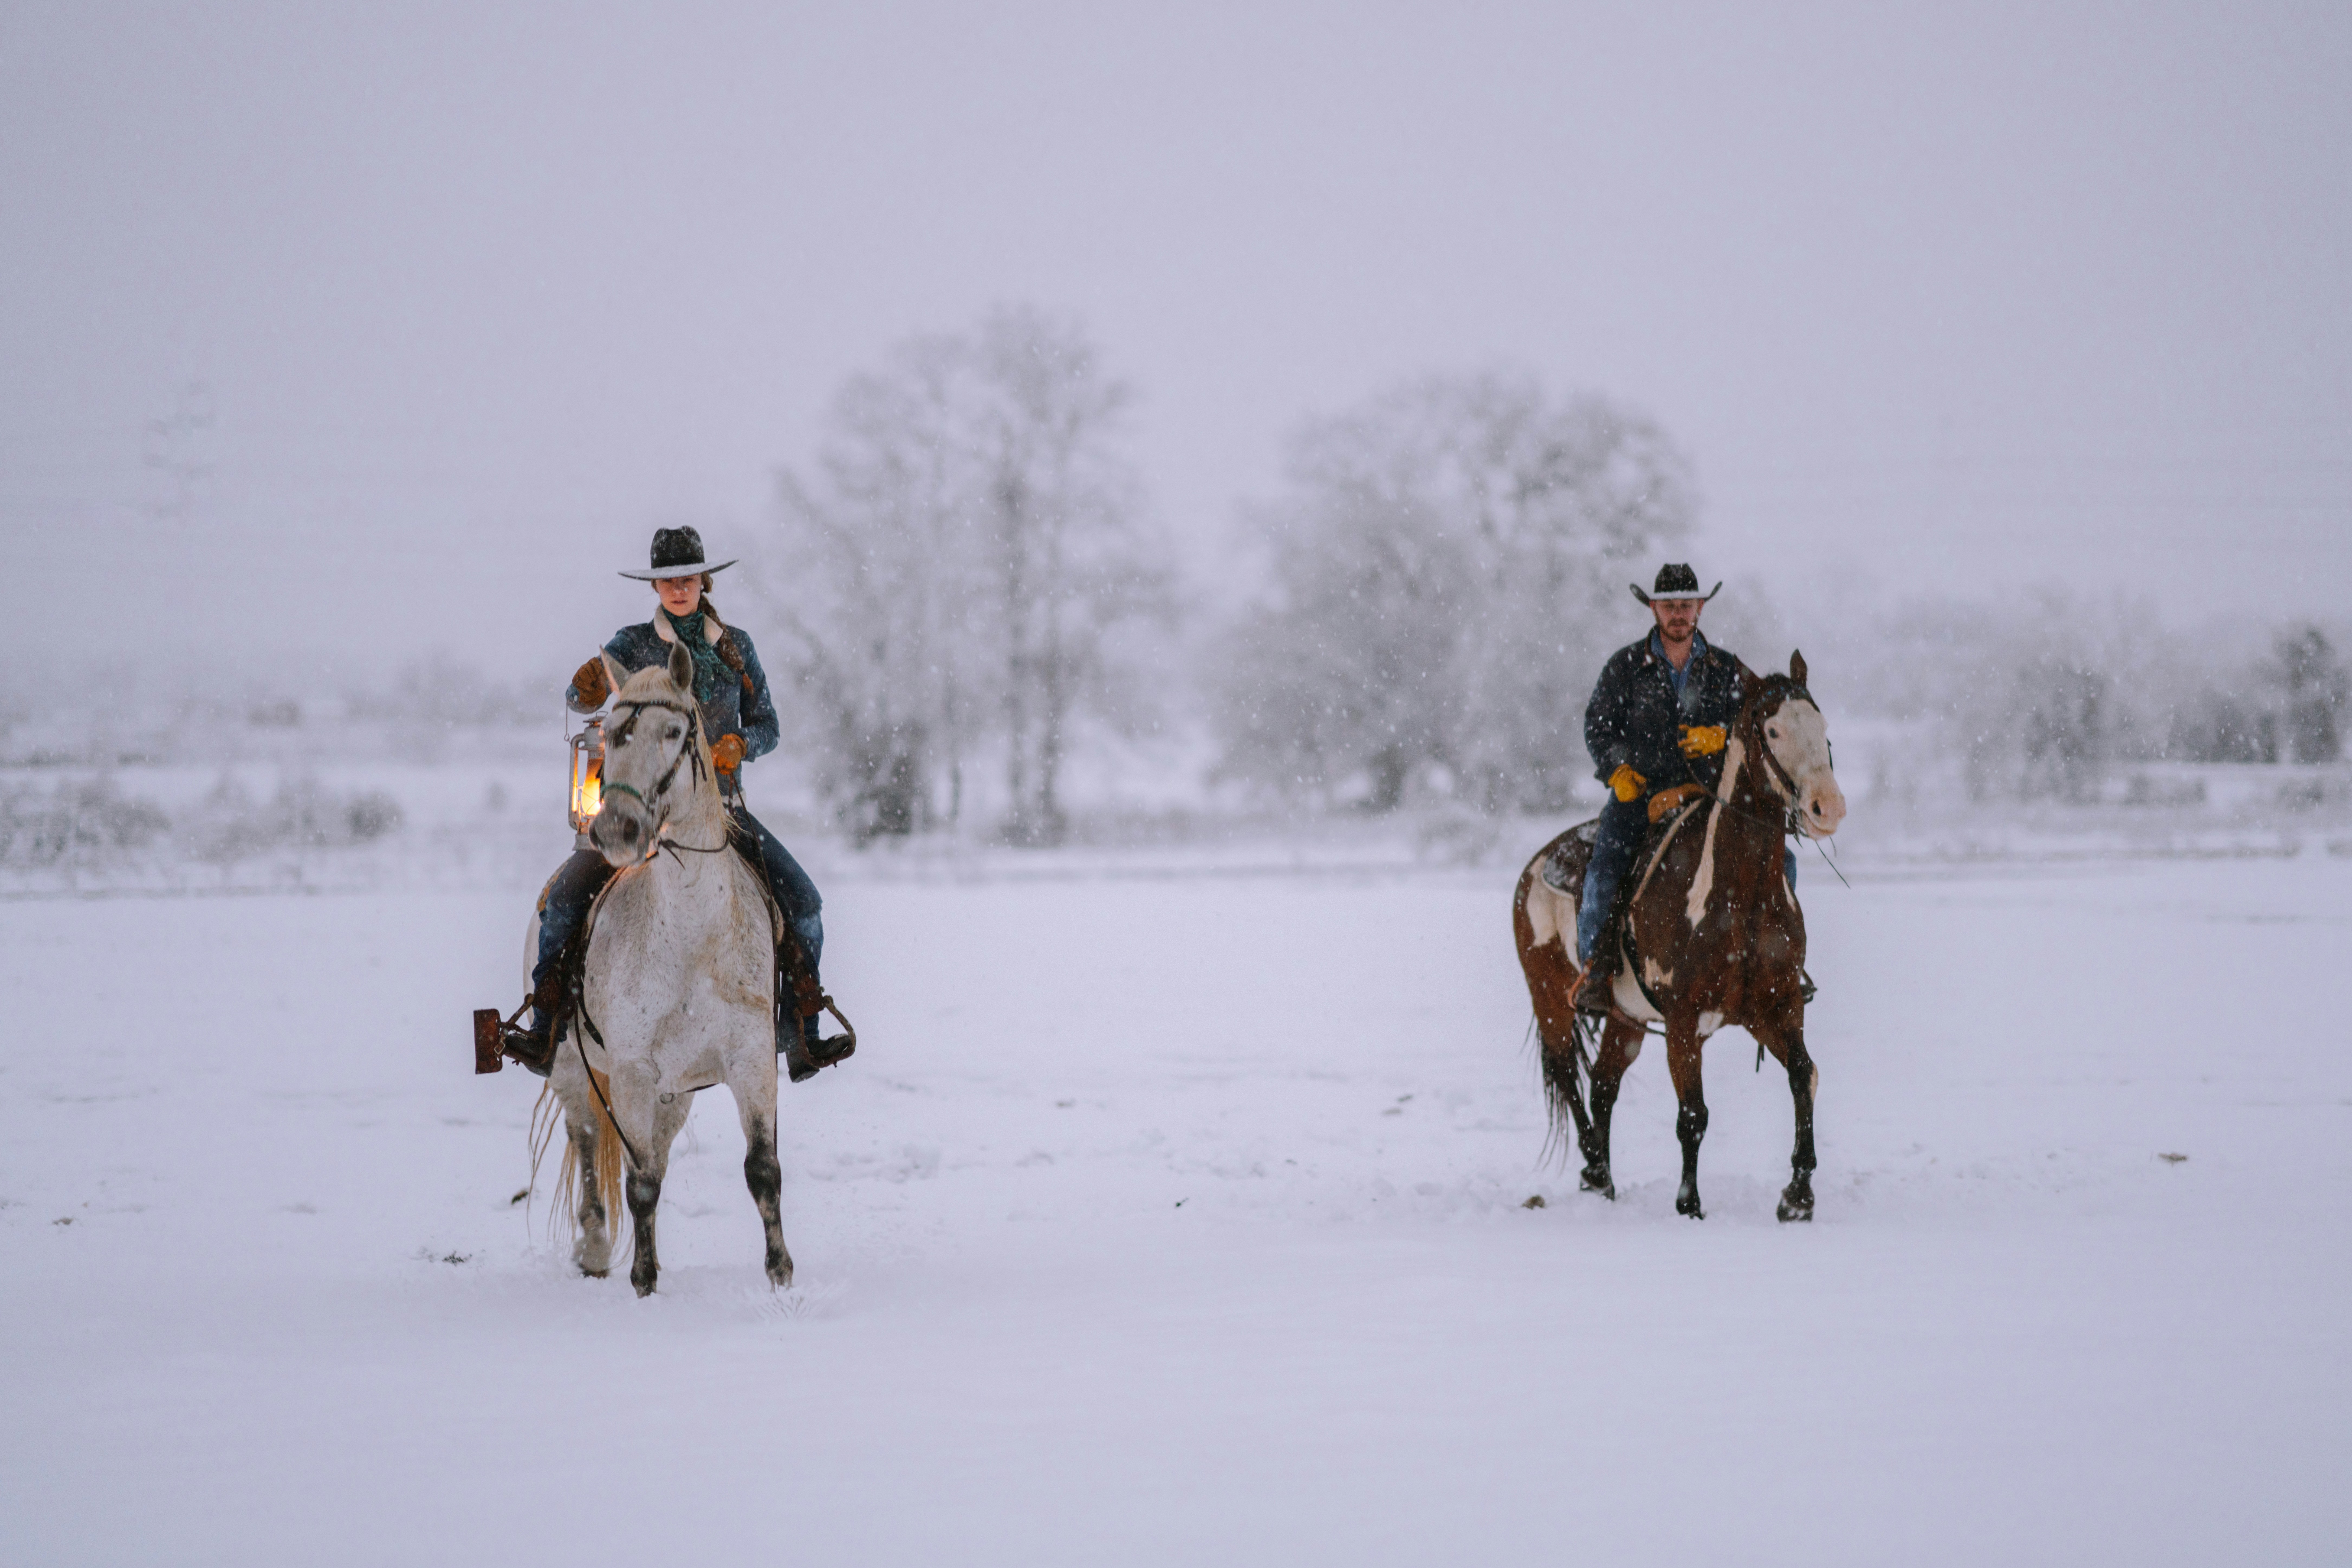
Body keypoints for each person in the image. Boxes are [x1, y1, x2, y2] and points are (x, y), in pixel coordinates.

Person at [508, 526, 841, 1079]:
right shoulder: (632, 644)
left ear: (703, 580)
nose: (678, 588)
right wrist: (583, 688)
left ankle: (800, 1034)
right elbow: (577, 698)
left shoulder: (736, 647)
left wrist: (741, 744)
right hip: (639, 811)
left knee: (804, 904)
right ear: (656, 587)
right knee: (564, 901)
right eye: (667, 581)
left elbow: (770, 727)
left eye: (686, 578)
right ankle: (546, 1029)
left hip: (722, 812)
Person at [1572, 563, 1785, 1013]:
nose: (1678, 614)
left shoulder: (1726, 668)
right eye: (1669, 606)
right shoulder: (1626, 666)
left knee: (1780, 859)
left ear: (1700, 608)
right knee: (1605, 869)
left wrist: (1722, 737)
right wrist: (1617, 771)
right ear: (1653, 608)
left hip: (1710, 794)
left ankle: (1775, 962)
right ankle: (1595, 969)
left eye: (1686, 605)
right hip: (1641, 795)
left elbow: (1755, 731)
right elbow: (1598, 725)